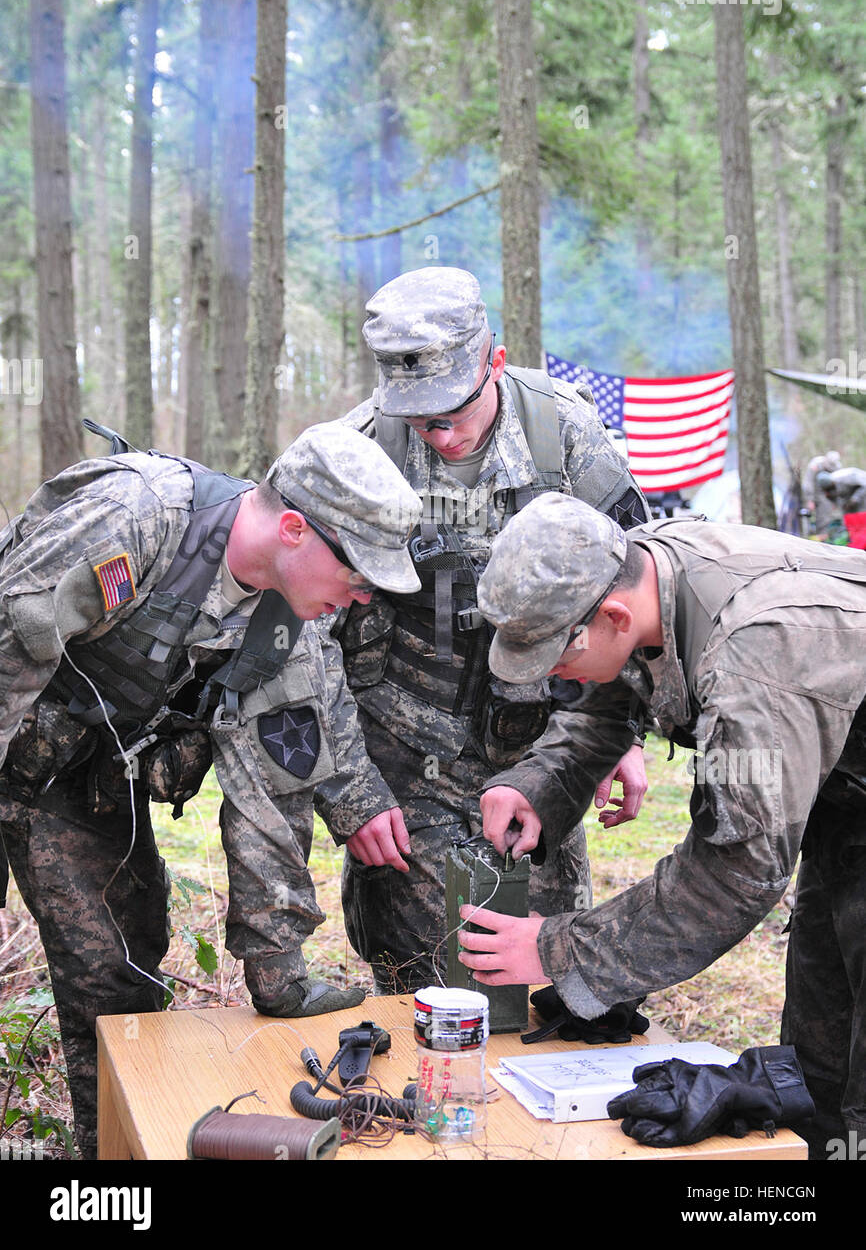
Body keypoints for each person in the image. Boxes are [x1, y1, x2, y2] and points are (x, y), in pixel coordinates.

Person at [0, 421, 422, 1157]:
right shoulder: (136, 517)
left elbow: (272, 793)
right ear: (294, 529)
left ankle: (109, 1163)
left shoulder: (291, 620)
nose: (358, 600)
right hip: (15, 732)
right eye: (355, 575)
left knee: (116, 973)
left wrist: (277, 969)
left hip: (79, 777)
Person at [458, 490, 866, 1158]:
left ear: (612, 616)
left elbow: (734, 874)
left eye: (555, 664)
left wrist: (562, 950)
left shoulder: (754, 656)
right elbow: (611, 694)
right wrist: (542, 783)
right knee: (815, 1064)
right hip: (843, 802)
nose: (554, 681)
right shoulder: (641, 571)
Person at [322, 266, 650, 993]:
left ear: (494, 362)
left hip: (538, 742)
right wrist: (354, 791)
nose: (436, 436)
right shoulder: (356, 454)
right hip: (405, 746)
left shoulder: (564, 434)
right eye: (418, 419)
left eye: (452, 414)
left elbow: (631, 583)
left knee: (545, 971)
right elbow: (306, 644)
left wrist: (617, 735)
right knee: (428, 984)